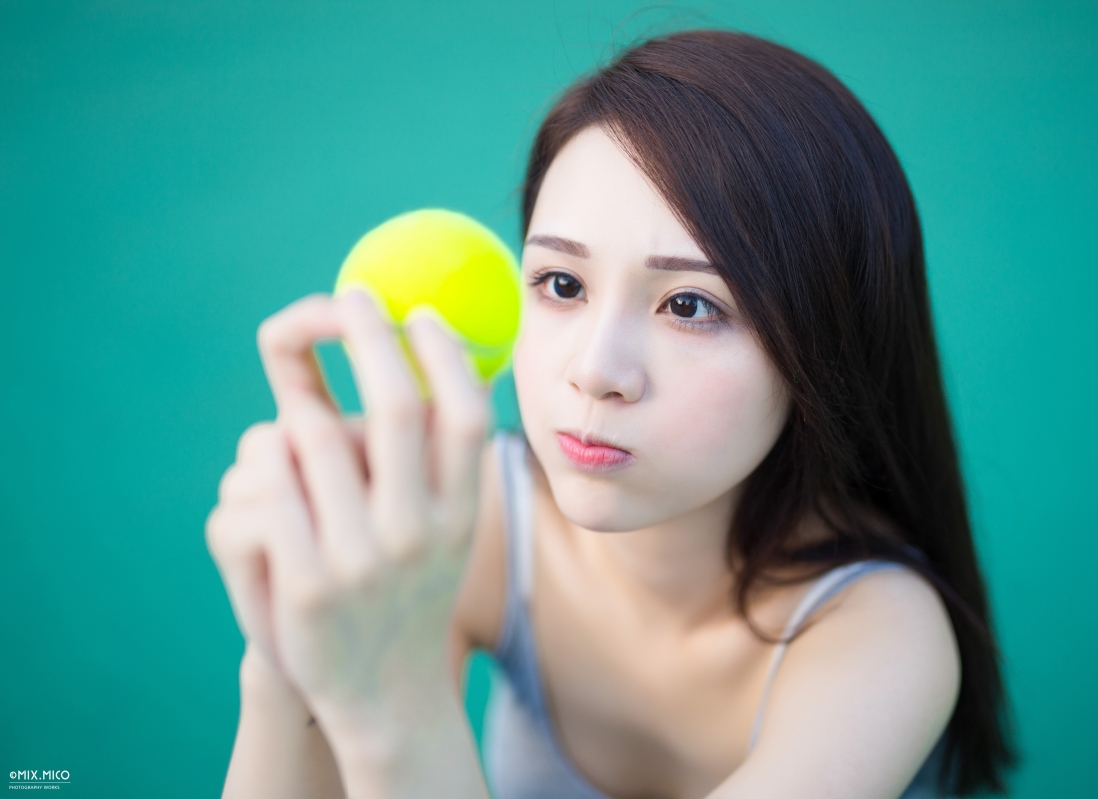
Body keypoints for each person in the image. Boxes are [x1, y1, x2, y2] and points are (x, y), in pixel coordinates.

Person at [206, 29, 1016, 799]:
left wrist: (399, 705)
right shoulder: (474, 520)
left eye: (691, 303)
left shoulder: (879, 635)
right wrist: (285, 654)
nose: (595, 371)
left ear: (825, 347)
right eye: (561, 284)